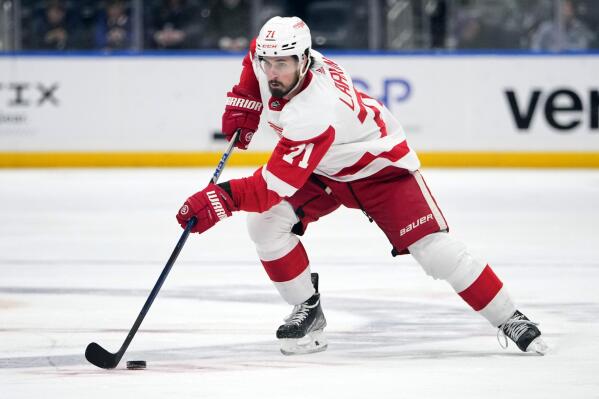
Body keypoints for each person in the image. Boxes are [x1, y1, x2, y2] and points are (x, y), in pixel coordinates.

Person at [176, 16, 548, 356]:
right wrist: (246, 102)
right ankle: (308, 311)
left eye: (282, 64)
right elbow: (254, 53)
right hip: (324, 168)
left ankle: (510, 318)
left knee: (435, 251)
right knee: (264, 224)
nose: (272, 72)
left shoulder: (315, 110)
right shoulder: (272, 55)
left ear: (305, 60)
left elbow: (270, 187)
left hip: (379, 169)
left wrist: (219, 198)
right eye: (268, 64)